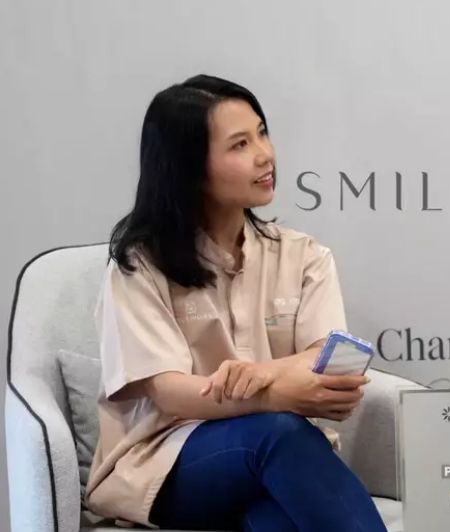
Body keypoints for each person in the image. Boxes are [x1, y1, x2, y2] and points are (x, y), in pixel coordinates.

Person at [84, 74, 387, 531]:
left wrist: (263, 373)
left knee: (277, 518)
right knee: (278, 434)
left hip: (274, 460)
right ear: (190, 167)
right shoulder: (139, 265)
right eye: (240, 144)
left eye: (262, 133)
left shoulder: (304, 256)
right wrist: (276, 394)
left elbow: (327, 356)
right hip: (166, 462)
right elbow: (169, 391)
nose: (265, 155)